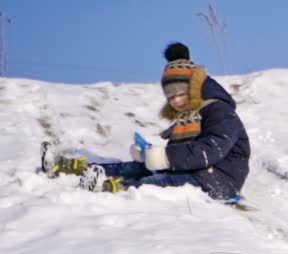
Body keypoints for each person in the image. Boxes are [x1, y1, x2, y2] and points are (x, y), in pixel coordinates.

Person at [40, 42, 250, 201]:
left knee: (156, 182)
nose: (176, 101)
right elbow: (182, 150)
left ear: (194, 88)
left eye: (181, 93)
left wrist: (165, 158)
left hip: (218, 181)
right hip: (193, 172)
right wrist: (148, 155)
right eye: (170, 96)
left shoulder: (220, 111)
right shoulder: (188, 115)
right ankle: (74, 168)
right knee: (135, 168)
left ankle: (112, 188)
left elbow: (211, 150)